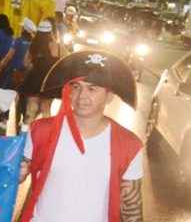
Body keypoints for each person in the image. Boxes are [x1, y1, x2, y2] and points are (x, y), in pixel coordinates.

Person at [20, 50, 143, 222]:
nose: (82, 96)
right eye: (76, 87)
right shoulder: (41, 130)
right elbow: (12, 174)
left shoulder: (129, 145)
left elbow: (131, 206)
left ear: (110, 97)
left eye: (92, 89)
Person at [20, 20, 60, 128]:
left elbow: (25, 63)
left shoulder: (33, 44)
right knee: (46, 109)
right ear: (50, 32)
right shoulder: (54, 45)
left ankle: (25, 134)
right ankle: (46, 137)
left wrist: (34, 65)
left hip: (34, 79)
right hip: (49, 80)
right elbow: (58, 63)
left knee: (31, 108)